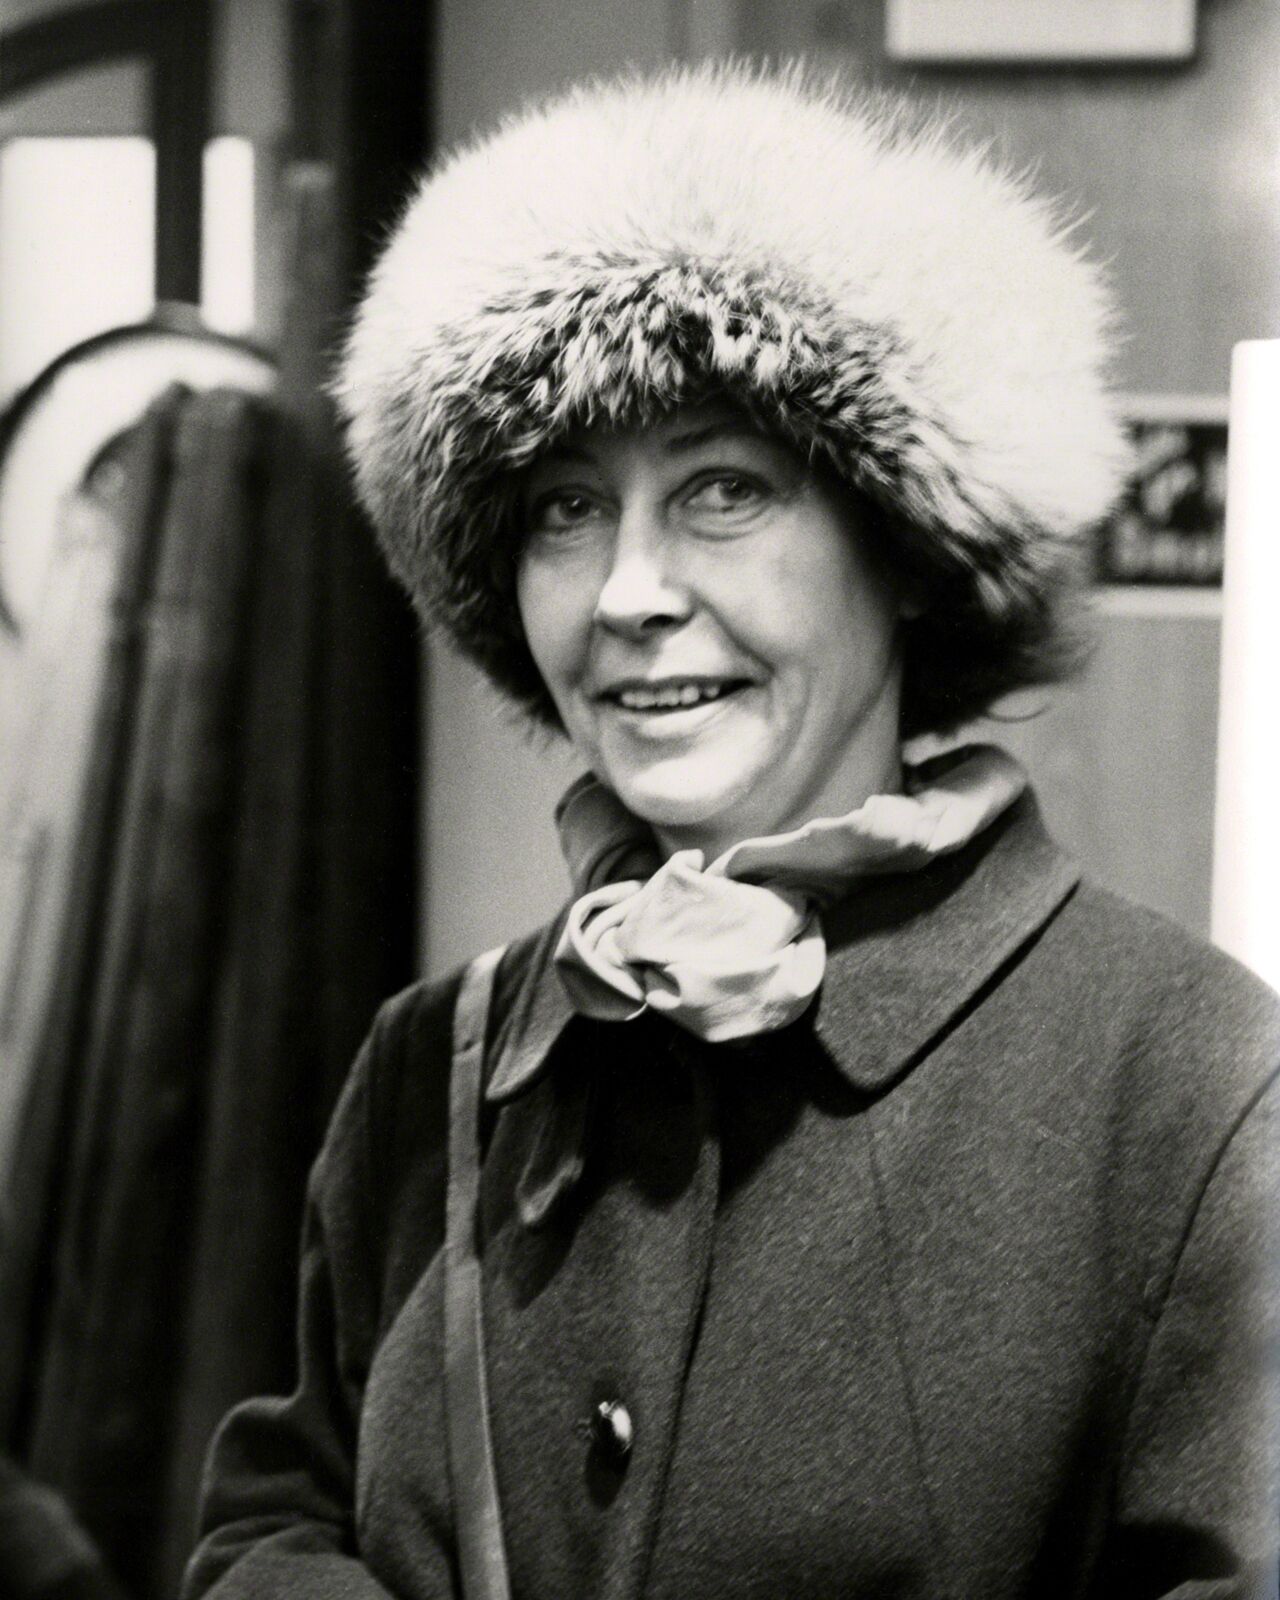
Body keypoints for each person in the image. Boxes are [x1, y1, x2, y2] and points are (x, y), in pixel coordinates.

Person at [182, 65, 1279, 1600]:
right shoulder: (435, 1065)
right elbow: (269, 1525)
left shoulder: (1190, 1085)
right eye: (565, 508)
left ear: (907, 547)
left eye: (722, 489)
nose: (629, 592)